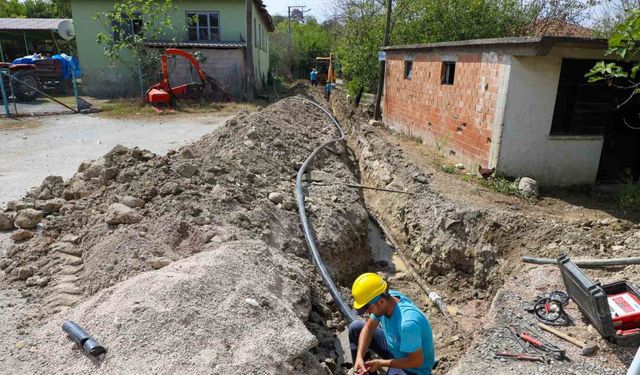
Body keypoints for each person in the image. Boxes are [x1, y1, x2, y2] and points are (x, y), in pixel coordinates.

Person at [349, 273, 435, 375]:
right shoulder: (387, 299)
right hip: (396, 348)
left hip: (413, 369)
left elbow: (415, 362)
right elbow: (368, 329)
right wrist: (359, 356)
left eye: (369, 308)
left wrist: (381, 363)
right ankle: (362, 369)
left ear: (381, 301)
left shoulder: (407, 324)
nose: (368, 312)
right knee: (355, 328)